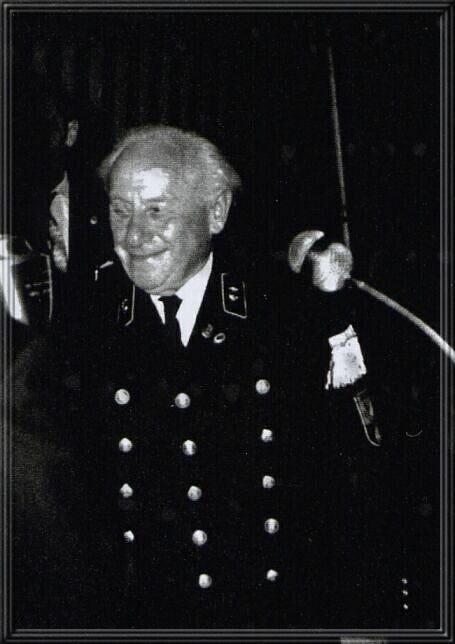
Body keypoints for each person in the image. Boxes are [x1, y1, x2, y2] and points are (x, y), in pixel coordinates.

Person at [11, 125, 440, 630]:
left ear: (216, 212)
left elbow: (356, 484)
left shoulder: (286, 317)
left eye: (156, 211)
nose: (133, 237)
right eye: (120, 211)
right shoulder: (81, 334)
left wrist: (366, 621)